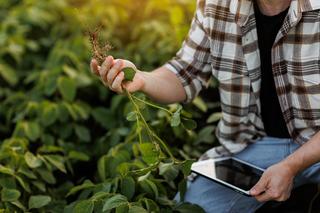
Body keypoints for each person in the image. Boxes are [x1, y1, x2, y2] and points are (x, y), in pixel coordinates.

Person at [90, 0, 320, 212]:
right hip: (255, 143)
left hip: (316, 142)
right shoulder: (215, 4)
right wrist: (142, 79)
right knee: (193, 207)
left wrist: (291, 165)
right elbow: (185, 72)